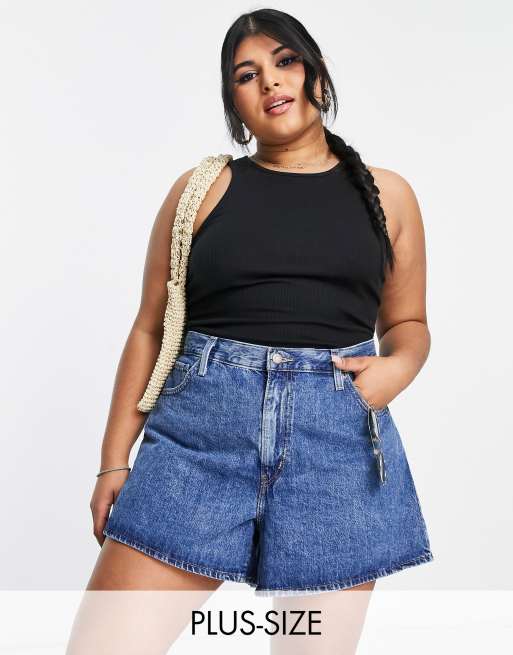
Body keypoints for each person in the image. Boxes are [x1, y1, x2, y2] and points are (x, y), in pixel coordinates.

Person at [67, 8, 434, 653]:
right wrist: (113, 460)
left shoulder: (388, 195)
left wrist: (397, 368)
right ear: (234, 104)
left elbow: (408, 323)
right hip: (198, 442)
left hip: (335, 445)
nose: (270, 81)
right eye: (246, 74)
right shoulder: (201, 190)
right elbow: (150, 328)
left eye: (284, 61)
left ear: (316, 74)